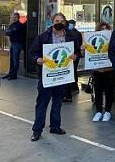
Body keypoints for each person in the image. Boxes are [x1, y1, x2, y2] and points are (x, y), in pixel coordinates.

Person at [29, 13, 80, 141]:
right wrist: (37, 59)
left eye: (62, 21)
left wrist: (76, 56)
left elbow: (78, 51)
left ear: (65, 23)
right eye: (57, 20)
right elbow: (32, 53)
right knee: (42, 103)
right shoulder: (43, 37)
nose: (59, 23)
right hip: (47, 76)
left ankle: (55, 126)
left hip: (63, 76)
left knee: (57, 102)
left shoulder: (71, 36)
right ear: (52, 22)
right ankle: (37, 130)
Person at [88, 22, 115, 123]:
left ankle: (108, 111)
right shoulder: (93, 40)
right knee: (98, 91)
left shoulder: (113, 40)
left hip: (110, 70)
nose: (104, 30)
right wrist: (84, 49)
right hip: (98, 70)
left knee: (109, 92)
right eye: (102, 29)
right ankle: (99, 111)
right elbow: (87, 53)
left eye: (106, 29)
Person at [3, 12, 26, 80]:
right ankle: (10, 73)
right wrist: (10, 32)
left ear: (18, 18)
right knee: (11, 59)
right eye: (13, 17)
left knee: (15, 60)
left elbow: (11, 32)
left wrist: (10, 32)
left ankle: (14, 75)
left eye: (15, 17)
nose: (14, 18)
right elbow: (7, 33)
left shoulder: (19, 25)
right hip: (13, 44)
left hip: (17, 44)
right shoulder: (12, 25)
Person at [65, 19, 83, 102]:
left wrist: (77, 54)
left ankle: (74, 87)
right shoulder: (67, 32)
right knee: (72, 71)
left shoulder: (76, 33)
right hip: (69, 56)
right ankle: (72, 87)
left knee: (73, 71)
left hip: (74, 55)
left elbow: (78, 44)